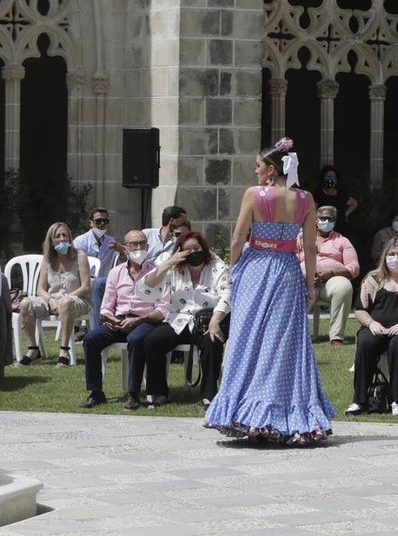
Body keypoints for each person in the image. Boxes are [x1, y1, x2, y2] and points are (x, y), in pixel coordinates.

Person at [204, 137, 335, 444]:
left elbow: (237, 238)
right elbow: (312, 247)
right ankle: (283, 415)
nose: (255, 171)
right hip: (288, 269)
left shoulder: (254, 194)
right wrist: (310, 283)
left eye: (259, 165)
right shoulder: (305, 199)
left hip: (256, 266)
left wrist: (234, 267)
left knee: (247, 338)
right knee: (283, 342)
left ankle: (249, 413)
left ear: (273, 169)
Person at [138, 230, 231, 408]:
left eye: (196, 248)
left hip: (208, 319)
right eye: (188, 250)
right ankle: (159, 393)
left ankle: (209, 395)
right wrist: (170, 262)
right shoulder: (173, 266)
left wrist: (215, 321)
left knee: (213, 342)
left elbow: (227, 295)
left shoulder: (216, 266)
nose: (193, 253)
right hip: (178, 319)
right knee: (152, 341)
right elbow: (146, 287)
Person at [80, 229, 166, 409]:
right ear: (126, 248)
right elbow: (106, 305)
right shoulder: (116, 273)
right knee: (90, 339)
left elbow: (162, 309)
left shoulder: (158, 273)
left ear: (148, 246)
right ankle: (96, 392)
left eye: (143, 243)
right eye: (134, 244)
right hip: (119, 321)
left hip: (144, 321)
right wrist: (111, 320)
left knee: (136, 339)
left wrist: (139, 320)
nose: (139, 247)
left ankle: (133, 393)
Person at [346, 236, 398, 416]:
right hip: (377, 328)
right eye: (391, 254)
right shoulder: (372, 279)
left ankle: (397, 400)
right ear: (384, 257)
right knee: (365, 341)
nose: (395, 258)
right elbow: (360, 309)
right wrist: (371, 323)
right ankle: (359, 401)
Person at [16, 222, 92, 366]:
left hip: (77, 299)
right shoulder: (47, 260)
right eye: (57, 236)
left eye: (65, 235)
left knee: (65, 302)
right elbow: (40, 289)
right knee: (25, 303)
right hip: (53, 299)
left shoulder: (80, 256)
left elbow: (86, 287)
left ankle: (64, 350)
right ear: (51, 241)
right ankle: (33, 350)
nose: (62, 239)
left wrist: (65, 298)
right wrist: (50, 300)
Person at [297, 205, 358, 345]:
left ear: (335, 221)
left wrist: (329, 273)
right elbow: (290, 259)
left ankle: (336, 337)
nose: (325, 221)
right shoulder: (301, 238)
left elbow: (353, 268)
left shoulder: (342, 241)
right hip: (305, 280)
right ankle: (296, 335)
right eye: (322, 218)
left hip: (331, 281)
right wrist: (307, 276)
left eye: (329, 219)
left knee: (344, 287)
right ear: (315, 219)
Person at [73, 207, 122, 330]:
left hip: (103, 281)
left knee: (101, 284)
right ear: (91, 223)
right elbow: (75, 265)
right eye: (98, 221)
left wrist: (121, 251)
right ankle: (97, 331)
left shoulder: (111, 242)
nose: (101, 224)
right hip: (82, 282)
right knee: (96, 285)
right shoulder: (81, 241)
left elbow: (120, 264)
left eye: (105, 221)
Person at [313, 165, 357, 234]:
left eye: (333, 177)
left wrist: (346, 214)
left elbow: (354, 203)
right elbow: (313, 210)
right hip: (324, 229)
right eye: (328, 177)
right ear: (323, 178)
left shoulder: (341, 193)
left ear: (336, 179)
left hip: (340, 228)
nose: (330, 179)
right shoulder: (318, 194)